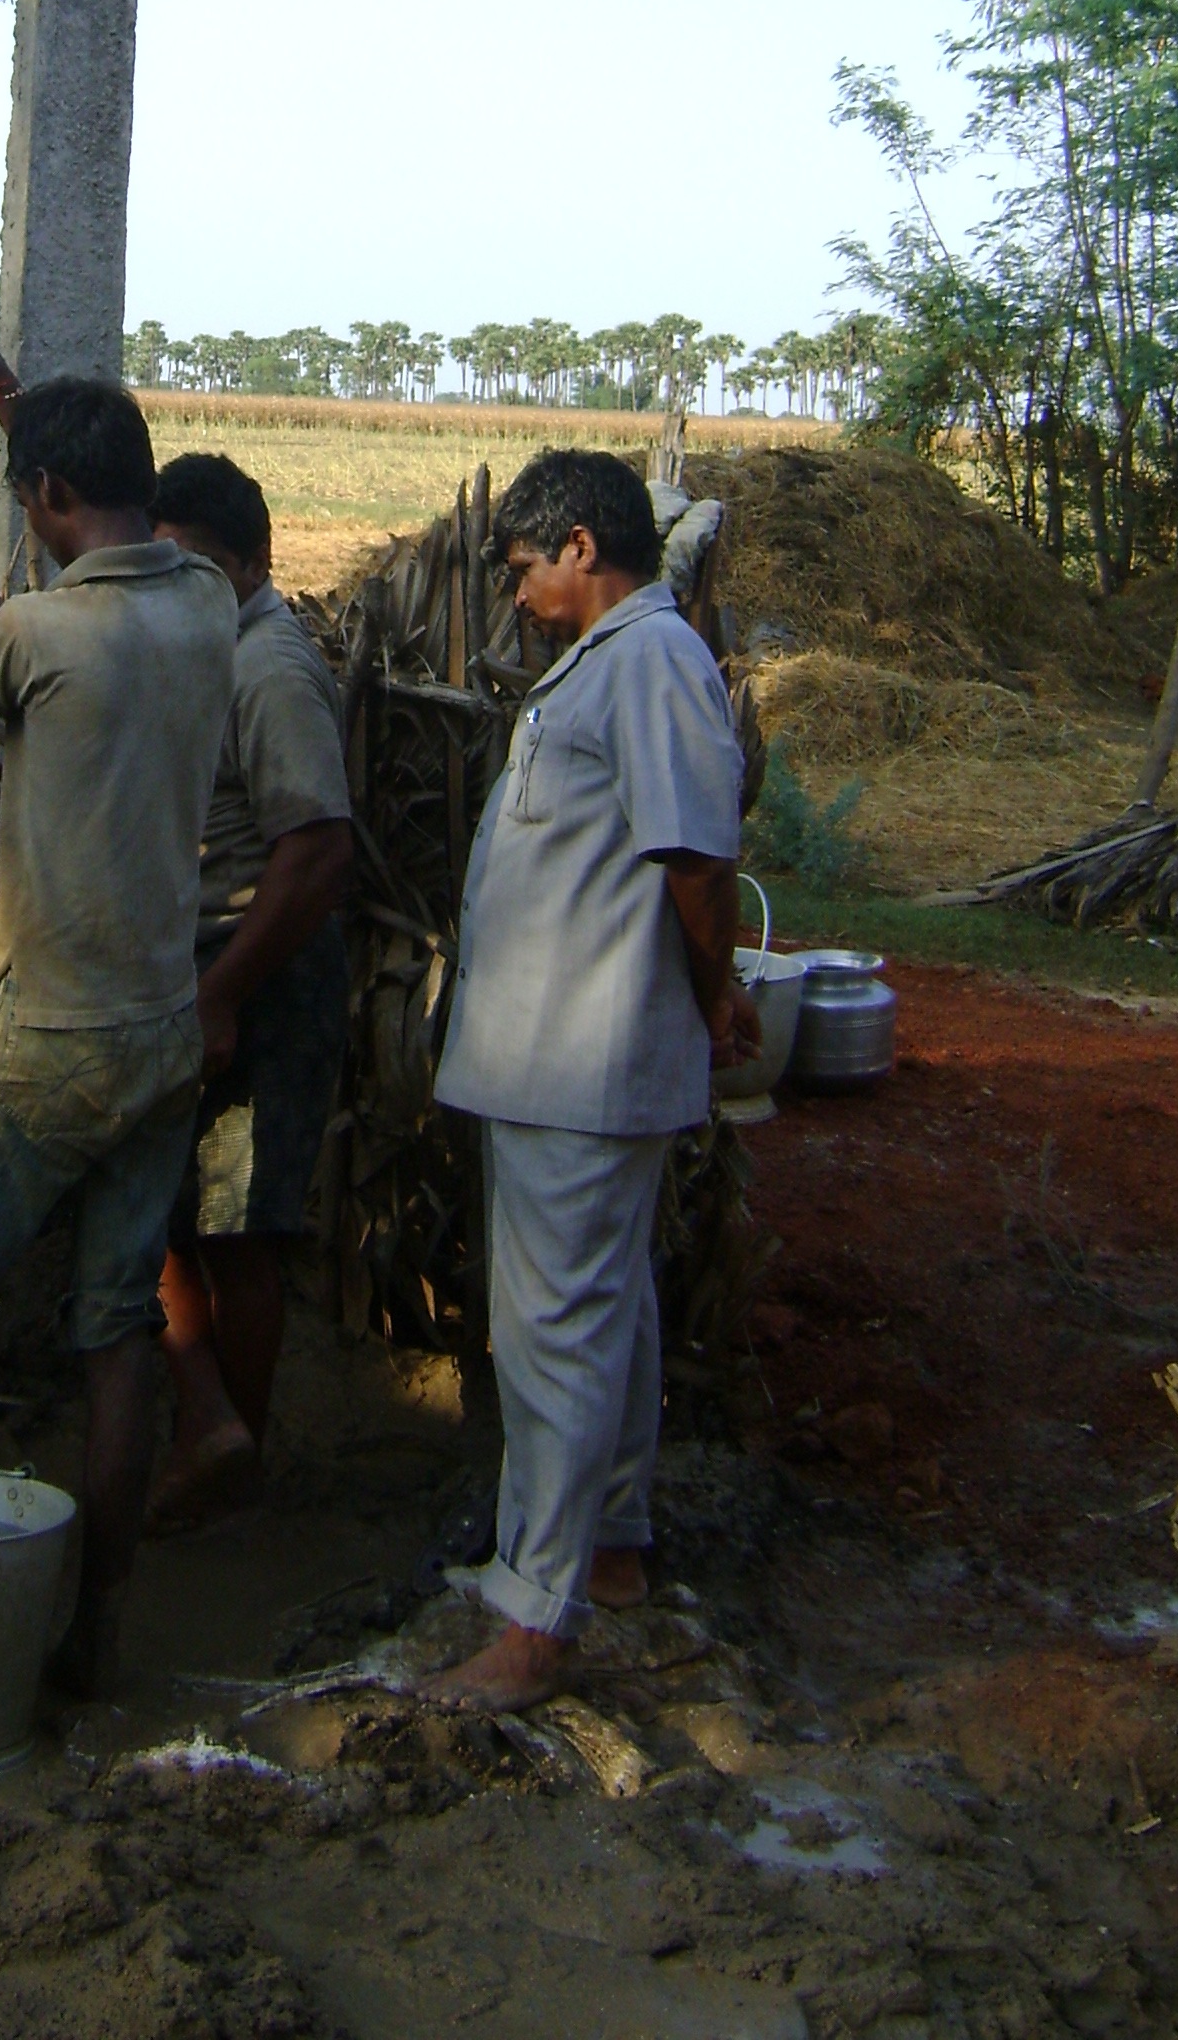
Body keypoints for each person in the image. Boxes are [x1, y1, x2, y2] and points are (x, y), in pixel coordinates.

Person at [0, 343, 238, 1699]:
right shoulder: (201, 604)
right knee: (114, 1334)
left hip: (46, 1039)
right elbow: (51, 674)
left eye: (29, 499)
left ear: (52, 493)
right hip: (162, 1025)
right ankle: (100, 1627)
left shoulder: (39, 632)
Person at [420, 448, 757, 1714]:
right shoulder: (610, 664)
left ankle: (534, 1618)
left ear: (579, 548)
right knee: (603, 1319)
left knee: (552, 1337)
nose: (513, 594)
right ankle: (605, 1550)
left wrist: (715, 991)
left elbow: (697, 861)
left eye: (522, 568)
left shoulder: (655, 663)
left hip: (583, 1060)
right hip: (558, 1060)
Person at [146, 451, 354, 1525]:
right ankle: (207, 1430)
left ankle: (235, 1459)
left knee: (242, 1232)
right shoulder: (195, 639)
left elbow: (315, 850)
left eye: (200, 568)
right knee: (171, 1221)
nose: (179, 586)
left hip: (261, 971)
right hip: (203, 971)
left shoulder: (268, 667)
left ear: (254, 562)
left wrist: (224, 993)